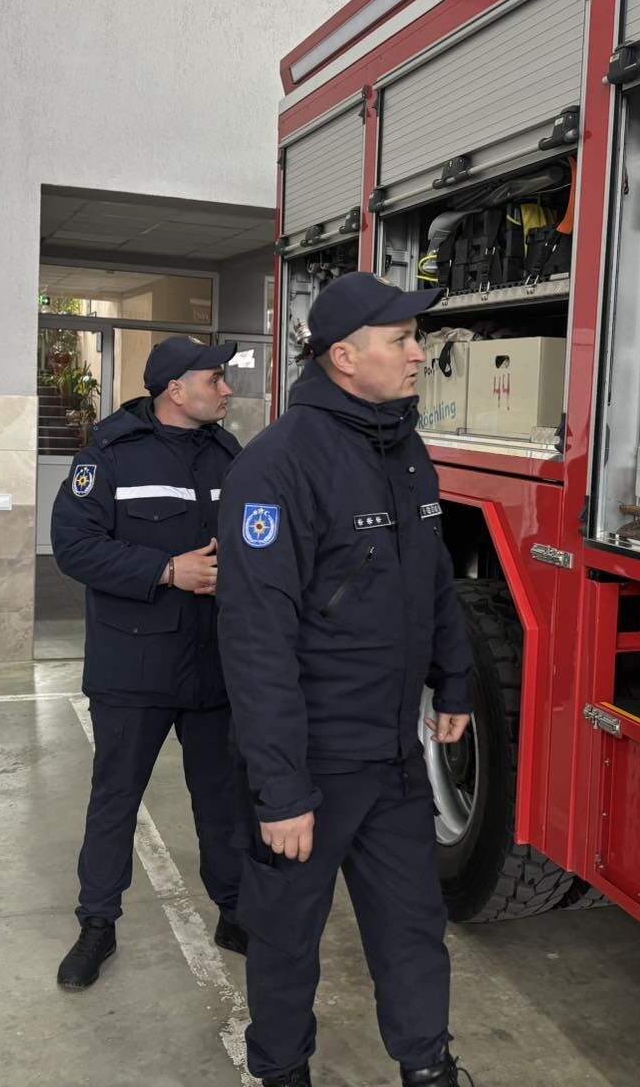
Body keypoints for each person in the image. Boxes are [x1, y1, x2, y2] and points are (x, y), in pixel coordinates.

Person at [217, 272, 476, 1087]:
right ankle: (281, 1070)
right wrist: (281, 790)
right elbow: (256, 640)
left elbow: (433, 580)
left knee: (413, 928)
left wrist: (456, 682)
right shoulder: (277, 466)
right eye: (401, 340)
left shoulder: (406, 451)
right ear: (344, 357)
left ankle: (427, 1068)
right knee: (286, 936)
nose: (418, 353)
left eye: (415, 337)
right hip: (312, 764)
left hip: (393, 758)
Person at [51, 336, 249, 990]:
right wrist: (167, 570)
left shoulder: (228, 455)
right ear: (176, 389)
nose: (226, 389)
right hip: (134, 662)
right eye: (215, 378)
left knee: (221, 796)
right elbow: (74, 546)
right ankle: (97, 924)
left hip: (212, 660)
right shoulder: (109, 455)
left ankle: (234, 909)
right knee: (116, 797)